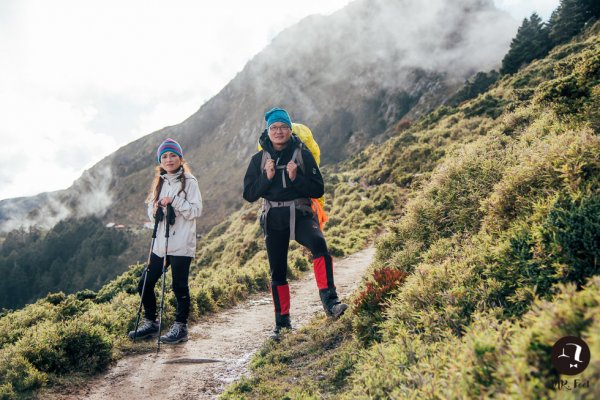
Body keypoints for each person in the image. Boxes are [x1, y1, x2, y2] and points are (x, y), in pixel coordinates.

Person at [243, 107, 348, 338]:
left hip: (301, 214)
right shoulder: (259, 160)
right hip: (273, 219)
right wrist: (266, 177)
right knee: (278, 271)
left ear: (290, 130)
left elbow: (317, 188)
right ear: (268, 131)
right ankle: (282, 324)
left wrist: (296, 177)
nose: (279, 131)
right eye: (274, 128)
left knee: (319, 245)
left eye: (283, 127)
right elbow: (249, 194)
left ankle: (331, 304)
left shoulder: (302, 153)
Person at [128, 138, 202, 344]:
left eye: (173, 155)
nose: (169, 160)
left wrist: (175, 201)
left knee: (179, 286)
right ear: (160, 161)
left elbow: (196, 211)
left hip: (181, 244)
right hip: (160, 244)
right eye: (165, 156)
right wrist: (153, 211)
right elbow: (152, 214)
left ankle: (181, 327)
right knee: (144, 284)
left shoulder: (190, 181)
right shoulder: (159, 183)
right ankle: (151, 323)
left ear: (180, 158)